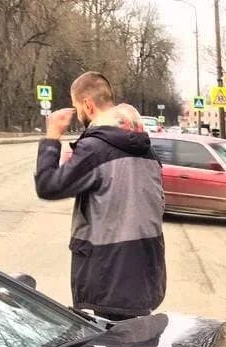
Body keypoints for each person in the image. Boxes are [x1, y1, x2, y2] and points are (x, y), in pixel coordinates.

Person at [33, 71, 166, 322]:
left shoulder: (95, 148)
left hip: (109, 276)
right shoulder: (147, 148)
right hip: (146, 271)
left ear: (87, 105)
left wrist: (51, 136)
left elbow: (47, 185)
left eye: (77, 107)